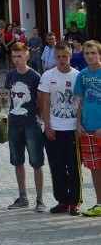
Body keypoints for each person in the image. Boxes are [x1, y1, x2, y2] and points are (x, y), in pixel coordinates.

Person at [39, 41, 81, 215]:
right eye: (58, 56)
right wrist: (47, 126)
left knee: (74, 167)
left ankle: (74, 202)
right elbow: (45, 102)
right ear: (54, 57)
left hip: (72, 129)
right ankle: (62, 200)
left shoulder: (79, 76)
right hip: (53, 129)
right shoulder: (48, 76)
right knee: (57, 166)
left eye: (65, 56)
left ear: (70, 55)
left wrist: (79, 125)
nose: (62, 59)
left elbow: (80, 104)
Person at [4, 42, 46, 211]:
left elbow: (41, 100)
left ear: (27, 56)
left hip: (31, 123)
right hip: (14, 123)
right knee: (17, 161)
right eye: (14, 56)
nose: (16, 60)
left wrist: (39, 117)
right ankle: (23, 197)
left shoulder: (35, 76)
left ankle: (40, 199)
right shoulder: (10, 75)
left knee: (37, 162)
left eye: (20, 56)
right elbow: (8, 97)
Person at [75, 40, 101, 217]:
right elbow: (80, 102)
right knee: (94, 168)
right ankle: (99, 204)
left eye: (93, 52)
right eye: (87, 53)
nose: (90, 56)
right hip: (88, 129)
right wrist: (78, 124)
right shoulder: (82, 75)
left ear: (99, 54)